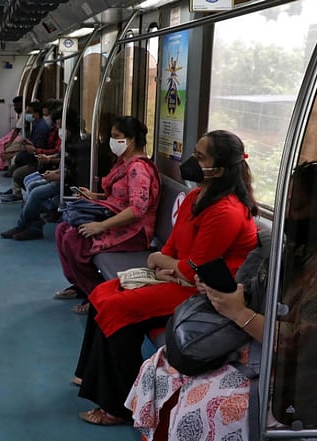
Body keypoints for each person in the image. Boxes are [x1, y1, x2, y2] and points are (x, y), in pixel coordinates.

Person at [126, 160, 317, 439]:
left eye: (297, 207)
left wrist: (239, 313)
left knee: (200, 405)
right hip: (258, 355)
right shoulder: (299, 252)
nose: (288, 215)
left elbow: (302, 345)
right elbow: (260, 294)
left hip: (300, 385)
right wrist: (223, 292)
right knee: (161, 367)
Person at [74, 130, 259, 426]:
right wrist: (164, 261)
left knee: (117, 308)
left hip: (204, 293)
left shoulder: (226, 211)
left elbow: (195, 269)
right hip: (176, 278)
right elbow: (173, 246)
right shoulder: (197, 197)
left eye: (199, 158)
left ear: (220, 169)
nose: (192, 162)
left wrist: (164, 262)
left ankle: (119, 405)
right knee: (103, 292)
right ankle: (89, 374)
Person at [53, 117, 160, 309]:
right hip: (116, 220)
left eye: (116, 137)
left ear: (132, 140)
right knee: (62, 229)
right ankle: (81, 285)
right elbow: (119, 198)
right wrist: (95, 196)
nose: (112, 141)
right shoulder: (123, 163)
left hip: (134, 231)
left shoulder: (139, 169)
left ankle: (97, 293)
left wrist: (100, 226)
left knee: (73, 239)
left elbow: (137, 209)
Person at [0, 108, 81, 241]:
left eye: (62, 127)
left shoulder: (79, 144)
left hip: (69, 181)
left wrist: (60, 174)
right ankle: (34, 228)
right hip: (60, 173)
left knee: (36, 192)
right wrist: (54, 168)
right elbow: (64, 159)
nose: (60, 131)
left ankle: (23, 226)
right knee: (32, 186)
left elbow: (77, 170)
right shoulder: (69, 140)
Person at [0, 101, 52, 203]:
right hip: (32, 156)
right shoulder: (36, 124)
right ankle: (16, 192)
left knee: (17, 173)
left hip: (38, 161)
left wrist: (28, 148)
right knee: (14, 166)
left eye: (29, 112)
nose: (27, 115)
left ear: (36, 113)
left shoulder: (41, 128)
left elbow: (38, 149)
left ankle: (26, 195)